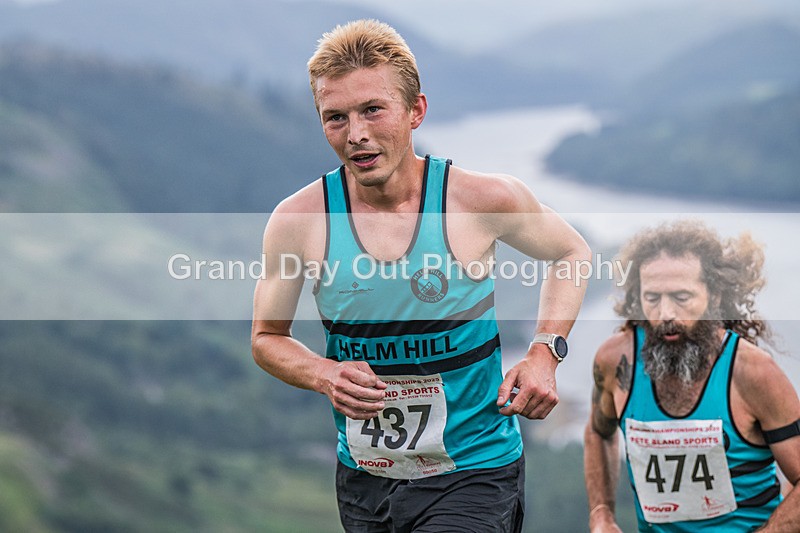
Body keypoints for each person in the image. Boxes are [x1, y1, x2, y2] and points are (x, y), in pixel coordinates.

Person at [251, 18, 591, 532]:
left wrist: (546, 351)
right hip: (366, 478)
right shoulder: (300, 220)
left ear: (416, 111)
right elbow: (266, 338)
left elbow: (571, 253)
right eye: (335, 117)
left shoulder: (481, 200)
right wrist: (325, 374)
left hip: (475, 471)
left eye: (373, 110)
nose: (356, 134)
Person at [584, 219, 800, 532]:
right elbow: (598, 432)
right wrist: (601, 513)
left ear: (713, 297)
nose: (666, 314)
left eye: (681, 298)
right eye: (653, 298)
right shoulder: (616, 360)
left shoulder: (753, 373)